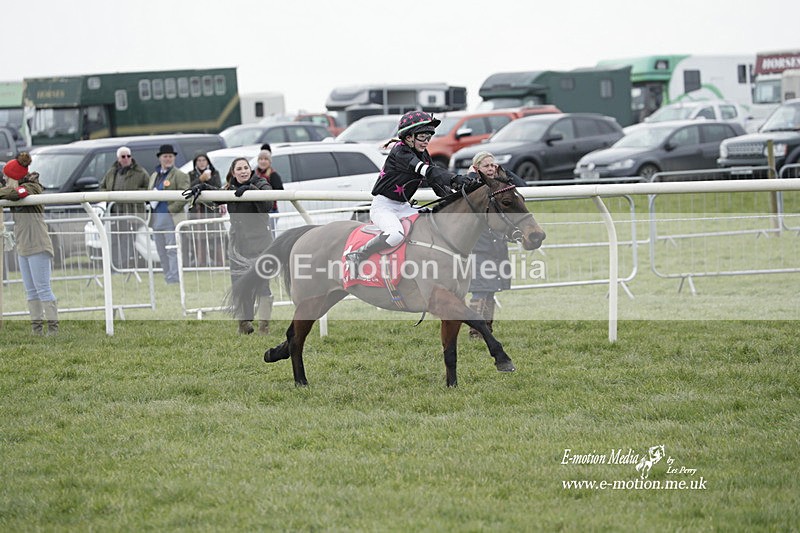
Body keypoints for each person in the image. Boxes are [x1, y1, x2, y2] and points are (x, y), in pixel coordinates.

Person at [345, 111, 465, 266]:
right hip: (384, 207)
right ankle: (359, 255)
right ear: (409, 137)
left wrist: (455, 196)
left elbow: (436, 182)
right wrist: (455, 178)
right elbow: (427, 171)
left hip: (404, 206)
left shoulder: (423, 153)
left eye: (429, 137)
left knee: (432, 226)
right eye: (422, 137)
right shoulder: (400, 151)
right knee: (395, 235)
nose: (426, 141)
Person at [466, 151, 527, 339]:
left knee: (491, 290)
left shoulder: (499, 186)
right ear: (477, 169)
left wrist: (503, 171)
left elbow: (523, 186)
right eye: (486, 166)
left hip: (496, 246)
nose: (491, 169)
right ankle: (476, 332)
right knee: (480, 290)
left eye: (493, 165)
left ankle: (487, 329)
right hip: (479, 247)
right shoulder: (470, 185)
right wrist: (472, 175)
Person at [0, 152, 58, 335]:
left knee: (43, 289)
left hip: (38, 244)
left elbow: (17, 194)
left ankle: (53, 329)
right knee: (30, 291)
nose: (4, 179)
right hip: (24, 245)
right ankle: (37, 330)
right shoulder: (17, 189)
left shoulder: (32, 187)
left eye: (6, 177)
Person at [225, 157, 275, 334]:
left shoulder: (261, 183)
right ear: (233, 172)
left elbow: (268, 202)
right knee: (239, 284)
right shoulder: (229, 188)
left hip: (260, 244)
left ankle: (264, 325)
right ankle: (243, 323)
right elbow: (214, 199)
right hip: (238, 246)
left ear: (250, 169)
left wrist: (251, 190)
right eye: (239, 168)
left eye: (246, 167)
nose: (243, 171)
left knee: (262, 284)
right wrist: (202, 188)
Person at [98, 146, 150, 269]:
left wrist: (133, 193)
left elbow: (149, 190)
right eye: (123, 156)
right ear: (118, 158)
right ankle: (115, 265)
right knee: (115, 240)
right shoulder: (112, 172)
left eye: (128, 156)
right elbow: (102, 187)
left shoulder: (141, 172)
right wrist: (109, 196)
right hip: (115, 212)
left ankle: (125, 264)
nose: (126, 158)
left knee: (127, 239)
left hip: (133, 212)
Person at [148, 144, 190, 284]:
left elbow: (186, 195)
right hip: (156, 218)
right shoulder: (155, 175)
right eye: (165, 156)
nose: (168, 159)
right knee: (161, 251)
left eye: (170, 156)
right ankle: (168, 276)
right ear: (160, 158)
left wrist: (171, 209)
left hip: (171, 218)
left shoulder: (180, 175)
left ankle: (174, 277)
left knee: (172, 249)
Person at [186, 152, 223, 267]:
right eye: (199, 160)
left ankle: (219, 262)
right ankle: (201, 262)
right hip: (197, 210)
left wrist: (209, 179)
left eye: (203, 160)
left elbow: (217, 188)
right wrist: (200, 179)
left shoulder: (215, 173)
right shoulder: (191, 174)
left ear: (207, 161)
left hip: (212, 210)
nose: (201, 163)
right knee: (199, 237)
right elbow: (189, 189)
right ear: (195, 162)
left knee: (215, 237)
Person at [253, 147, 283, 235]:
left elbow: (280, 191)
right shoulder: (254, 174)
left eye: (266, 159)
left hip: (270, 211)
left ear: (270, 162)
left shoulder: (273, 175)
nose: (263, 161)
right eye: (261, 159)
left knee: (269, 235)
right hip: (257, 211)